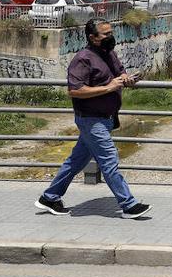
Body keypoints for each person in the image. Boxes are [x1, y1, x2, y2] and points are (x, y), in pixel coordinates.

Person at [35, 18, 150, 218]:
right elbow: (75, 91)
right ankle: (129, 205)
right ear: (93, 37)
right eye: (106, 34)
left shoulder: (109, 54)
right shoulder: (82, 59)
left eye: (111, 33)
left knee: (75, 162)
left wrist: (126, 78)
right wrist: (109, 87)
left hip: (105, 119)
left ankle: (49, 197)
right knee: (109, 160)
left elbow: (119, 73)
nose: (110, 37)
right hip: (91, 119)